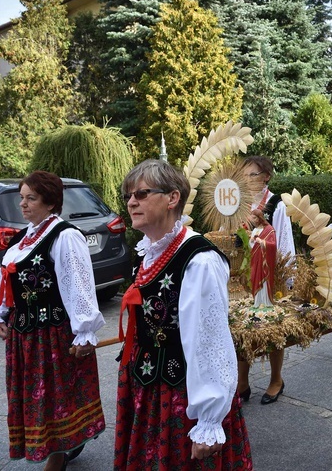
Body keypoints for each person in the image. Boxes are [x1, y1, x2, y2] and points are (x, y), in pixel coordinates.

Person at [114, 159, 251, 470]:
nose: (132, 201)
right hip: (148, 385)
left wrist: (209, 418)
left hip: (180, 392)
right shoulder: (150, 249)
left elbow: (211, 342)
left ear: (172, 198)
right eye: (128, 196)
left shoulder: (199, 260)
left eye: (142, 193)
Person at [0, 171, 106, 471]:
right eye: (22, 198)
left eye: (31, 198)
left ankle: (58, 453)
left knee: (56, 397)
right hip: (24, 336)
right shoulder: (22, 240)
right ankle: (60, 446)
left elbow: (78, 287)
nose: (23, 204)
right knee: (37, 399)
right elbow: (5, 282)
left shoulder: (64, 236)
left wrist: (85, 331)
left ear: (51, 202)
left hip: (53, 335)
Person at [237, 156, 296, 405]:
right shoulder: (237, 205)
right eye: (244, 175)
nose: (247, 180)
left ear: (266, 177)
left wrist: (286, 276)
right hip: (242, 275)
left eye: (252, 175)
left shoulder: (276, 204)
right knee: (242, 325)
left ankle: (276, 379)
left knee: (272, 326)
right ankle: (242, 381)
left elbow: (283, 240)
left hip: (270, 274)